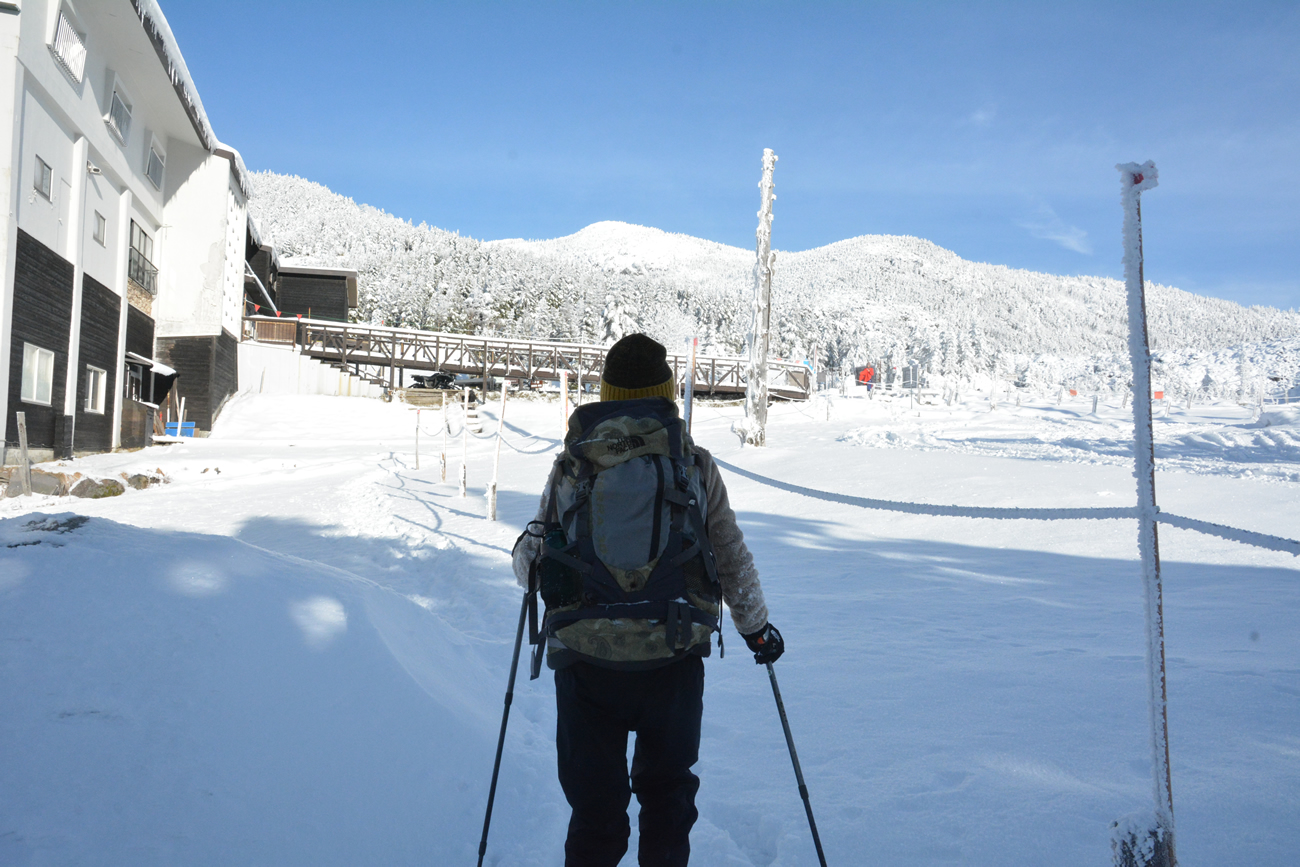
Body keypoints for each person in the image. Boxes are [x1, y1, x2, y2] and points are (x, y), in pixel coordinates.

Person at [512, 333, 784, 867]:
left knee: (595, 810)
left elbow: (530, 567)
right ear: (667, 392)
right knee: (666, 799)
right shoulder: (694, 463)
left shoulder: (573, 462)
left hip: (586, 660)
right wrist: (756, 628)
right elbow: (730, 556)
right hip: (673, 654)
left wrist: (529, 550)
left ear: (607, 393)